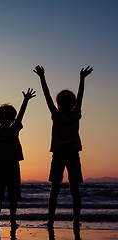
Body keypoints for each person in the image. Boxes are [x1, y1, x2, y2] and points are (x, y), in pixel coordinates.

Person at [33, 65, 93, 232]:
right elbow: (80, 97)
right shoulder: (75, 114)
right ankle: (76, 220)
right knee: (74, 189)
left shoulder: (56, 114)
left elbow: (47, 96)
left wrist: (42, 77)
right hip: (72, 154)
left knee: (55, 189)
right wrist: (82, 79)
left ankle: (50, 220)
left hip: (59, 154)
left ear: (58, 103)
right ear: (72, 103)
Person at [0, 88, 35, 229]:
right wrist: (25, 100)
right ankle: (12, 220)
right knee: (12, 195)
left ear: (0, 118)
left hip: (0, 165)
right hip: (12, 165)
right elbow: (21, 116)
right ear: (13, 118)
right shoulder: (14, 128)